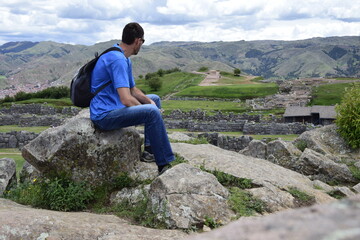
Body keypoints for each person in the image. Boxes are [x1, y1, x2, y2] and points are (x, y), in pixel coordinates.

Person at [90, 22, 174, 175]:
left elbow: (133, 90)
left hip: (114, 106)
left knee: (154, 99)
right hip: (104, 115)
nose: (141, 45)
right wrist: (150, 109)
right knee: (151, 112)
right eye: (142, 42)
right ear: (137, 41)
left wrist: (150, 102)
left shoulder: (123, 57)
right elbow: (126, 99)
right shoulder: (118, 60)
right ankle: (164, 164)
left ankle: (150, 151)